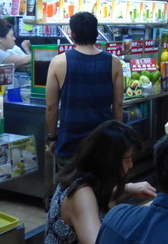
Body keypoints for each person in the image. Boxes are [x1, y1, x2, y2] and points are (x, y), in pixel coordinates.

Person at [43, 121, 156, 244]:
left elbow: (102, 196)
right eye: (127, 159)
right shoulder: (80, 194)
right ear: (108, 161)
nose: (131, 164)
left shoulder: (84, 176)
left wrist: (128, 188)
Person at [46, 12, 124, 165]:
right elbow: (118, 105)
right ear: (96, 33)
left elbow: (51, 107)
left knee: (73, 187)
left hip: (69, 143)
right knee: (103, 187)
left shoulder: (58, 62)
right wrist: (118, 137)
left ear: (73, 34)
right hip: (103, 142)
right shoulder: (114, 62)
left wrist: (53, 137)